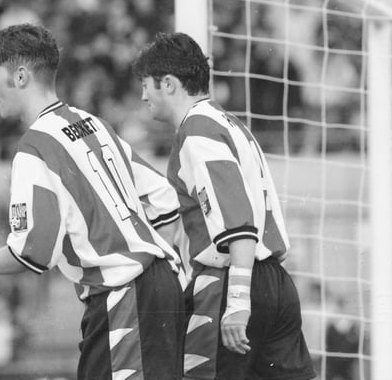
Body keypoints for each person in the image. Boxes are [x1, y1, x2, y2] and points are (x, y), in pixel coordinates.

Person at [0, 23, 185, 380]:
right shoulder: (93, 123)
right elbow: (163, 199)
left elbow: (33, 252)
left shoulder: (34, 148)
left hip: (122, 297)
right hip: (160, 286)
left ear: (21, 76)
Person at [132, 32, 316, 380]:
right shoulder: (230, 124)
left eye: (146, 85)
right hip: (276, 283)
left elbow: (238, 224)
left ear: (168, 84)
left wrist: (237, 303)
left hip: (231, 282)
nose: (143, 97)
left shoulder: (198, 131)